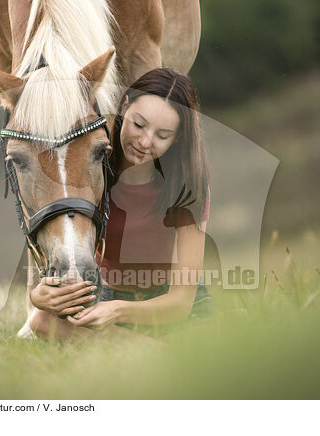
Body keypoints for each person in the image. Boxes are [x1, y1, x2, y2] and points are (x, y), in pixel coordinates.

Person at [29, 68, 211, 338]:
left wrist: (117, 311)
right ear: (124, 107)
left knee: (209, 342)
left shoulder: (187, 184)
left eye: (162, 136)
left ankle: (139, 352)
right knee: (40, 322)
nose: (144, 141)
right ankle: (149, 353)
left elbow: (181, 301)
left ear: (177, 138)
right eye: (139, 124)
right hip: (106, 292)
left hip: (164, 303)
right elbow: (69, 251)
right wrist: (40, 295)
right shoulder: (94, 169)